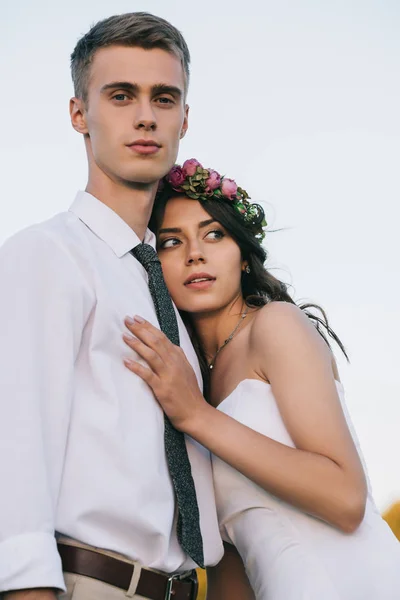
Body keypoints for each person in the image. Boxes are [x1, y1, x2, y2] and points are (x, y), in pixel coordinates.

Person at [0, 15, 223, 600]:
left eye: (164, 97)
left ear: (184, 119)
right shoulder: (45, 255)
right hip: (84, 583)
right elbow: (16, 450)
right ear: (79, 114)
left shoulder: (170, 288)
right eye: (120, 96)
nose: (145, 115)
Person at [123, 159, 400, 600]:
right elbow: (232, 560)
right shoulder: (194, 380)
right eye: (172, 242)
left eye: (214, 234)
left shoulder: (275, 325)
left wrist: (196, 416)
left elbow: (346, 499)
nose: (196, 252)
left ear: (243, 253)